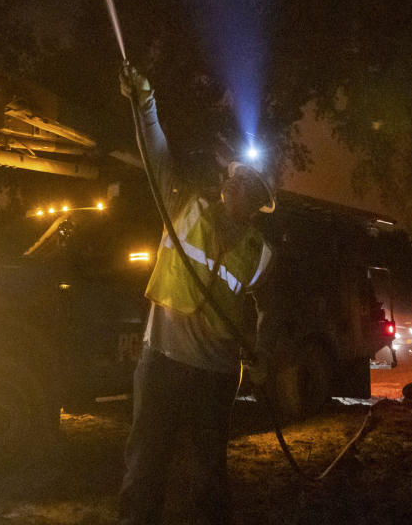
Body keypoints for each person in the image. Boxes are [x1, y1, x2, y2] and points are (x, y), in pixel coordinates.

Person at [118, 65, 276, 525]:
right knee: (145, 466)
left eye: (245, 181)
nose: (233, 181)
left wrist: (262, 351)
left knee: (209, 477)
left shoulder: (261, 254)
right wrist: (144, 101)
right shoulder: (183, 205)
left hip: (215, 377)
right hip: (161, 362)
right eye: (234, 175)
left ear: (256, 199)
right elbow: (156, 152)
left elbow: (269, 312)